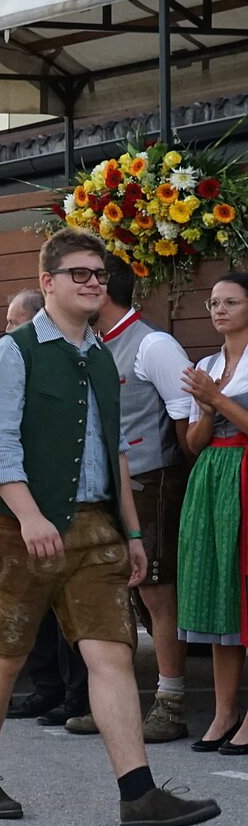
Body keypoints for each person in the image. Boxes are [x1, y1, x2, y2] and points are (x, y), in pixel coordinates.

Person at [0, 228, 220, 826]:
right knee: (6, 648)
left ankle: (138, 794)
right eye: (80, 273)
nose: (93, 282)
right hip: (11, 524)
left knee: (111, 653)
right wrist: (30, 516)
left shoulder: (101, 355)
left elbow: (115, 452)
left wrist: (133, 534)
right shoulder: (14, 351)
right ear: (47, 281)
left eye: (99, 274)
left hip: (93, 524)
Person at [85, 264, 194, 742]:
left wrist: (176, 476)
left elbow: (186, 415)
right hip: (112, 483)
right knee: (119, 592)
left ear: (104, 289)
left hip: (151, 478)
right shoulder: (93, 344)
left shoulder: (154, 344)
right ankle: (120, 702)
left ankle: (171, 703)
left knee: (156, 590)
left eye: (88, 281)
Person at [0, 288, 92, 725]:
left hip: (65, 500)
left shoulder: (72, 358)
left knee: (72, 606)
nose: (7, 329)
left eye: (14, 321)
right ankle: (47, 687)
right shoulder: (9, 358)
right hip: (22, 502)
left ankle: (77, 695)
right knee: (36, 605)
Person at [178, 272, 248, 753]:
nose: (219, 310)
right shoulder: (206, 364)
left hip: (245, 471)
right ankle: (224, 713)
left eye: (230, 302)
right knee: (220, 592)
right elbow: (193, 443)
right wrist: (205, 410)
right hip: (212, 476)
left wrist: (217, 398)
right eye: (214, 303)